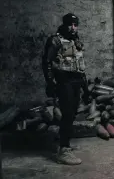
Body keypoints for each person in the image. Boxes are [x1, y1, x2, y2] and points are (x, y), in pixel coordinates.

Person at [42, 13, 89, 165]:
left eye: (76, 25)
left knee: (72, 113)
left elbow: (80, 66)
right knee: (67, 113)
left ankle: (64, 143)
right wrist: (50, 83)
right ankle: (64, 150)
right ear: (64, 24)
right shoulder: (55, 40)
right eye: (70, 24)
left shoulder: (75, 41)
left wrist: (86, 88)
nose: (73, 28)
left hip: (76, 81)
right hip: (64, 82)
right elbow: (47, 63)